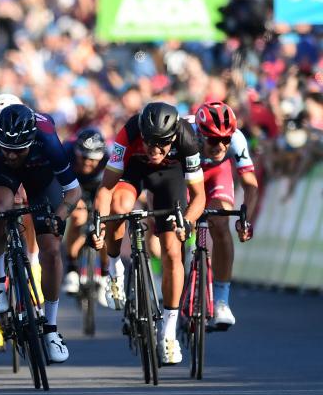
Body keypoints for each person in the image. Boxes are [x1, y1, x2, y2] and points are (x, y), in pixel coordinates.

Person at [0, 104, 81, 363]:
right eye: (5, 147)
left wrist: (59, 217)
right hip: (1, 176)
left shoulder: (48, 139)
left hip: (40, 175)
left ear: (31, 140)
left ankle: (51, 329)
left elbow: (74, 192)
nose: (10, 155)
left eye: (17, 150)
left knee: (51, 251)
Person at [94, 102, 205, 366]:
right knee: (119, 207)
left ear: (173, 138)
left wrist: (187, 222)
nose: (154, 150)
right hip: (134, 171)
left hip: (170, 177)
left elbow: (199, 196)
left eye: (161, 144)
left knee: (171, 250)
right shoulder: (130, 132)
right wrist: (98, 221)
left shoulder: (187, 138)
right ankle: (115, 272)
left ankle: (168, 332)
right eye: (148, 143)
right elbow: (105, 189)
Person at [190, 101, 257, 329]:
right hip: (186, 175)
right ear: (199, 135)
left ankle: (221, 300)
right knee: (176, 225)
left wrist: (246, 217)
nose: (220, 145)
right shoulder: (183, 136)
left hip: (216, 175)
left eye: (225, 139)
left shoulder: (236, 139)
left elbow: (250, 185)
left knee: (220, 223)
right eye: (213, 140)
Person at [61, 127, 109, 298]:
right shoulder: (66, 151)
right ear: (76, 153)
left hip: (99, 188)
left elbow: (110, 189)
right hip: (74, 187)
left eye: (92, 159)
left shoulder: (108, 158)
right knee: (77, 216)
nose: (87, 162)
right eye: (83, 157)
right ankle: (72, 269)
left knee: (103, 223)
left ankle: (105, 272)